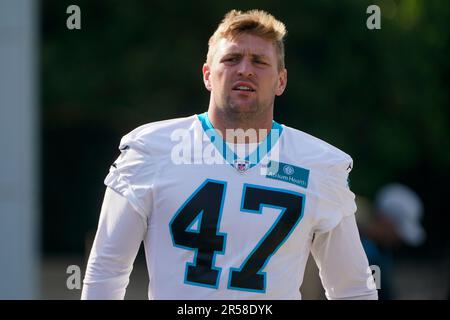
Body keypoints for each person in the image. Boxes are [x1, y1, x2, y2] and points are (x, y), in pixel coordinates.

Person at [81, 9, 377, 300]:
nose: (245, 69)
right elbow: (108, 268)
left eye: (259, 61)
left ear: (281, 81)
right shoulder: (152, 149)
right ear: (208, 75)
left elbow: (352, 288)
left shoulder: (319, 165)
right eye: (232, 58)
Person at [357, 183, 426, 299]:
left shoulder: (379, 251)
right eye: (399, 230)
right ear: (386, 219)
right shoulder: (369, 254)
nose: (400, 239)